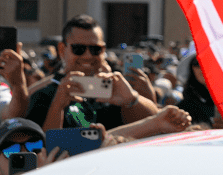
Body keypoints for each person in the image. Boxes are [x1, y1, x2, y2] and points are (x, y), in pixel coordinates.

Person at [25, 15, 158, 131]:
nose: (88, 56)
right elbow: (40, 148)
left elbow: (155, 125)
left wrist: (132, 99)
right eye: (79, 49)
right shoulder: (45, 94)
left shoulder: (115, 88)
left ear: (103, 50)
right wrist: (57, 106)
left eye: (95, 49)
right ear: (62, 49)